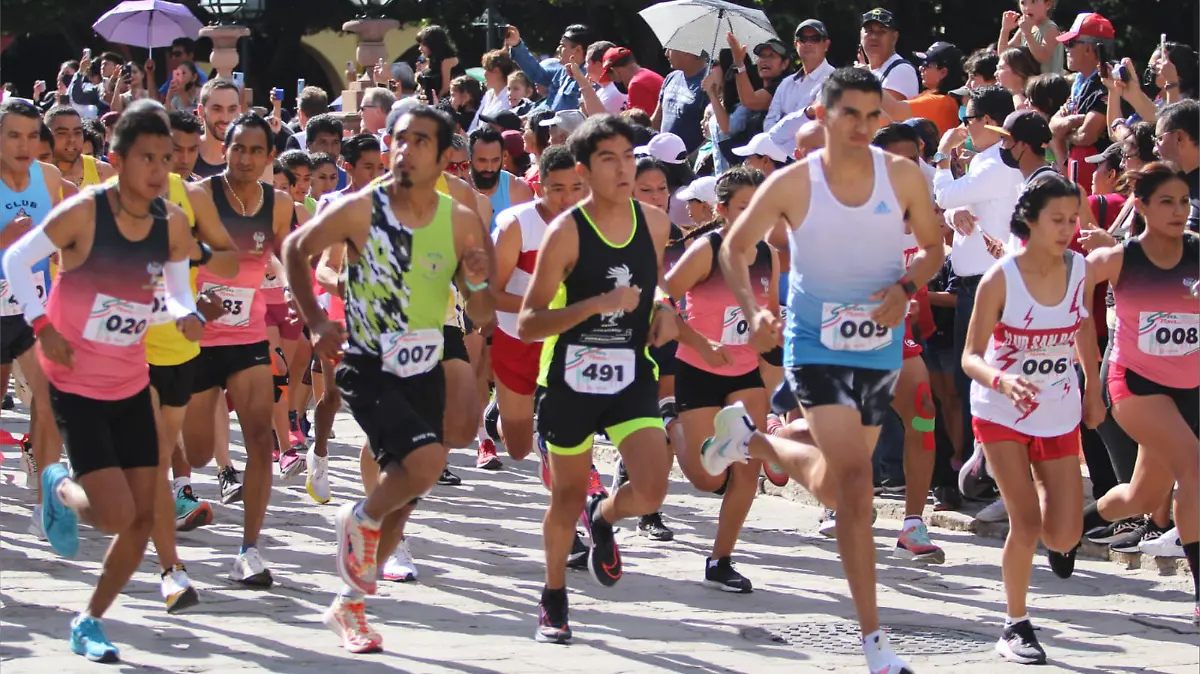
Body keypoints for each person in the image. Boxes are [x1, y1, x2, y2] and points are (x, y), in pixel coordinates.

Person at [706, 67, 944, 674]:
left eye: (873, 116)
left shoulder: (904, 176)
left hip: (878, 345)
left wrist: (907, 283)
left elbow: (935, 249)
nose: (863, 127)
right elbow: (735, 246)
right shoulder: (793, 183)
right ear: (822, 115)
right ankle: (874, 641)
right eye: (851, 115)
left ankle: (754, 442)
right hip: (814, 342)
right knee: (858, 482)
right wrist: (757, 310)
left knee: (844, 492)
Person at [282, 104, 495, 653]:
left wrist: (476, 282)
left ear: (445, 152)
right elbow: (296, 250)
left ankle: (349, 606)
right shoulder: (361, 208)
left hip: (425, 361)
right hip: (370, 362)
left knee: (408, 493)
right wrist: (316, 318)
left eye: (421, 140)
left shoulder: (461, 219)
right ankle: (360, 515)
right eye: (399, 139)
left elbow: (482, 307)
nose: (405, 150)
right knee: (426, 464)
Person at [0, 100, 206, 662]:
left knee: (142, 515)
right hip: (75, 380)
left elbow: (170, 294)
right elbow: (19, 260)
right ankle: (56, 483)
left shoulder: (172, 224)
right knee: (114, 513)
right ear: (116, 158)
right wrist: (41, 324)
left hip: (130, 382)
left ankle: (89, 620)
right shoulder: (86, 212)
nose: (159, 169)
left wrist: (188, 313)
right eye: (146, 157)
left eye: (167, 158)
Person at [516, 114, 677, 643]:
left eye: (629, 157)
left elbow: (654, 286)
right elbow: (529, 321)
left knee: (651, 490)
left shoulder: (654, 223)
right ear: (585, 171)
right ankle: (554, 596)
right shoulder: (566, 233)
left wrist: (664, 306)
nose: (624, 168)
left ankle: (604, 517)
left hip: (631, 371)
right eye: (609, 159)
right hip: (570, 378)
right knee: (563, 498)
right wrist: (597, 305)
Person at [962, 172, 1103, 663]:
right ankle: (1015, 625)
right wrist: (1001, 381)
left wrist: (1094, 386)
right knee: (1026, 522)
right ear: (1029, 219)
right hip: (1001, 408)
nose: (1068, 228)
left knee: (1063, 534)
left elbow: (1083, 328)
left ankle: (1017, 483)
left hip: (1058, 406)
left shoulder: (1080, 268)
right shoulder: (1000, 277)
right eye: (1057, 220)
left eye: (1073, 219)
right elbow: (970, 356)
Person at [1080, 162, 1200, 626]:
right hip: (1134, 384)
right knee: (1194, 464)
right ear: (1142, 205)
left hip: (1188, 388)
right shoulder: (1117, 258)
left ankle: (1070, 530)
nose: (1178, 211)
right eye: (1166, 202)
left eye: (1184, 201)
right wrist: (1090, 378)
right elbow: (1076, 304)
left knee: (1140, 496)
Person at [180, 112, 295, 584]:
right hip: (197, 338)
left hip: (247, 336)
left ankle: (250, 549)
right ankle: (178, 483)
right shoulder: (200, 196)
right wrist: (190, 302)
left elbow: (295, 258)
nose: (245, 158)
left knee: (260, 441)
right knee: (202, 452)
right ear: (221, 149)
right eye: (237, 148)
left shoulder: (280, 203)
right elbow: (171, 259)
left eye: (255, 150)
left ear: (270, 156)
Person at [664, 166, 777, 591]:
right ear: (723, 210)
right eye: (745, 208)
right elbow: (662, 296)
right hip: (697, 368)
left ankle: (720, 560)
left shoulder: (769, 255)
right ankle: (670, 422)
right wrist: (695, 337)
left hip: (746, 372)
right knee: (707, 478)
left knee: (747, 468)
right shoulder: (705, 251)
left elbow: (772, 314)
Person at [933, 85, 1023, 478]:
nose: (963, 127)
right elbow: (959, 208)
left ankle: (984, 470)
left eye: (967, 119)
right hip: (976, 283)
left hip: (987, 284)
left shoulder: (993, 163)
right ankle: (978, 465)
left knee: (977, 378)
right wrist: (955, 217)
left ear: (988, 121)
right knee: (969, 377)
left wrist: (940, 153)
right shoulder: (987, 161)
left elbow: (946, 196)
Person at [0, 98, 67, 527]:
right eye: (12, 135)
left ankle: (48, 499)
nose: (25, 145)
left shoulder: (50, 176)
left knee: (48, 398)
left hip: (33, 308)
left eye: (31, 135)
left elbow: (68, 229)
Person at [44, 106, 115, 188]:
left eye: (77, 132)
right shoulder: (33, 175)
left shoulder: (105, 172)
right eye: (62, 133)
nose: (72, 139)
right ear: (46, 136)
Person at [860, 8, 920, 100]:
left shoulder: (901, 70)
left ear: (894, 37)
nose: (874, 37)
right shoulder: (867, 71)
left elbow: (880, 111)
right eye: (869, 31)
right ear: (861, 35)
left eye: (882, 32)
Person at [998, 0, 1065, 74]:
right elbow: (1003, 54)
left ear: (1048, 4)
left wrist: (1027, 33)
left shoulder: (1050, 28)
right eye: (1023, 3)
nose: (1027, 8)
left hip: (1049, 84)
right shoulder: (1024, 29)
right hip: (1031, 84)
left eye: (1033, 2)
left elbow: (1043, 57)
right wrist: (1005, 30)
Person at [194, 79, 241, 179]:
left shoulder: (247, 158)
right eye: (217, 109)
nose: (225, 118)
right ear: (201, 111)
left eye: (232, 109)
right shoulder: (184, 152)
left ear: (239, 112)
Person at [601, 46, 664, 117]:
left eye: (610, 75)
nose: (612, 79)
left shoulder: (636, 84)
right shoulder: (646, 73)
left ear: (614, 71)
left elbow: (644, 124)